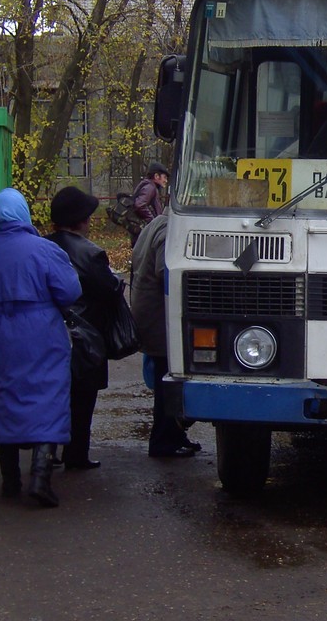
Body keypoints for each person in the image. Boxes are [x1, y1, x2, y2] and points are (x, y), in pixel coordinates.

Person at [0, 188, 82, 507]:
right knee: (48, 394)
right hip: (40, 331)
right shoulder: (44, 250)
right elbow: (69, 291)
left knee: (2, 395)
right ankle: (40, 478)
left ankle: (9, 481)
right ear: (23, 213)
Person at [46, 186, 125, 470]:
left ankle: (49, 451)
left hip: (50, 332)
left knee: (54, 394)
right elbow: (108, 288)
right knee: (82, 400)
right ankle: (76, 454)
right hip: (85, 336)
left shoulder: (45, 246)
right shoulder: (90, 253)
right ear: (80, 220)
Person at [130, 213, 199, 458]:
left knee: (166, 379)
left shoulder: (157, 223)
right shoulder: (169, 228)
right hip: (161, 319)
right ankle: (163, 442)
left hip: (152, 316)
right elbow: (165, 270)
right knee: (167, 383)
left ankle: (175, 436)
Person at [133, 162, 169, 227]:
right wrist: (152, 222)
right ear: (156, 176)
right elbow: (140, 204)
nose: (166, 181)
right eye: (164, 177)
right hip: (146, 230)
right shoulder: (150, 187)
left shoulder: (149, 186)